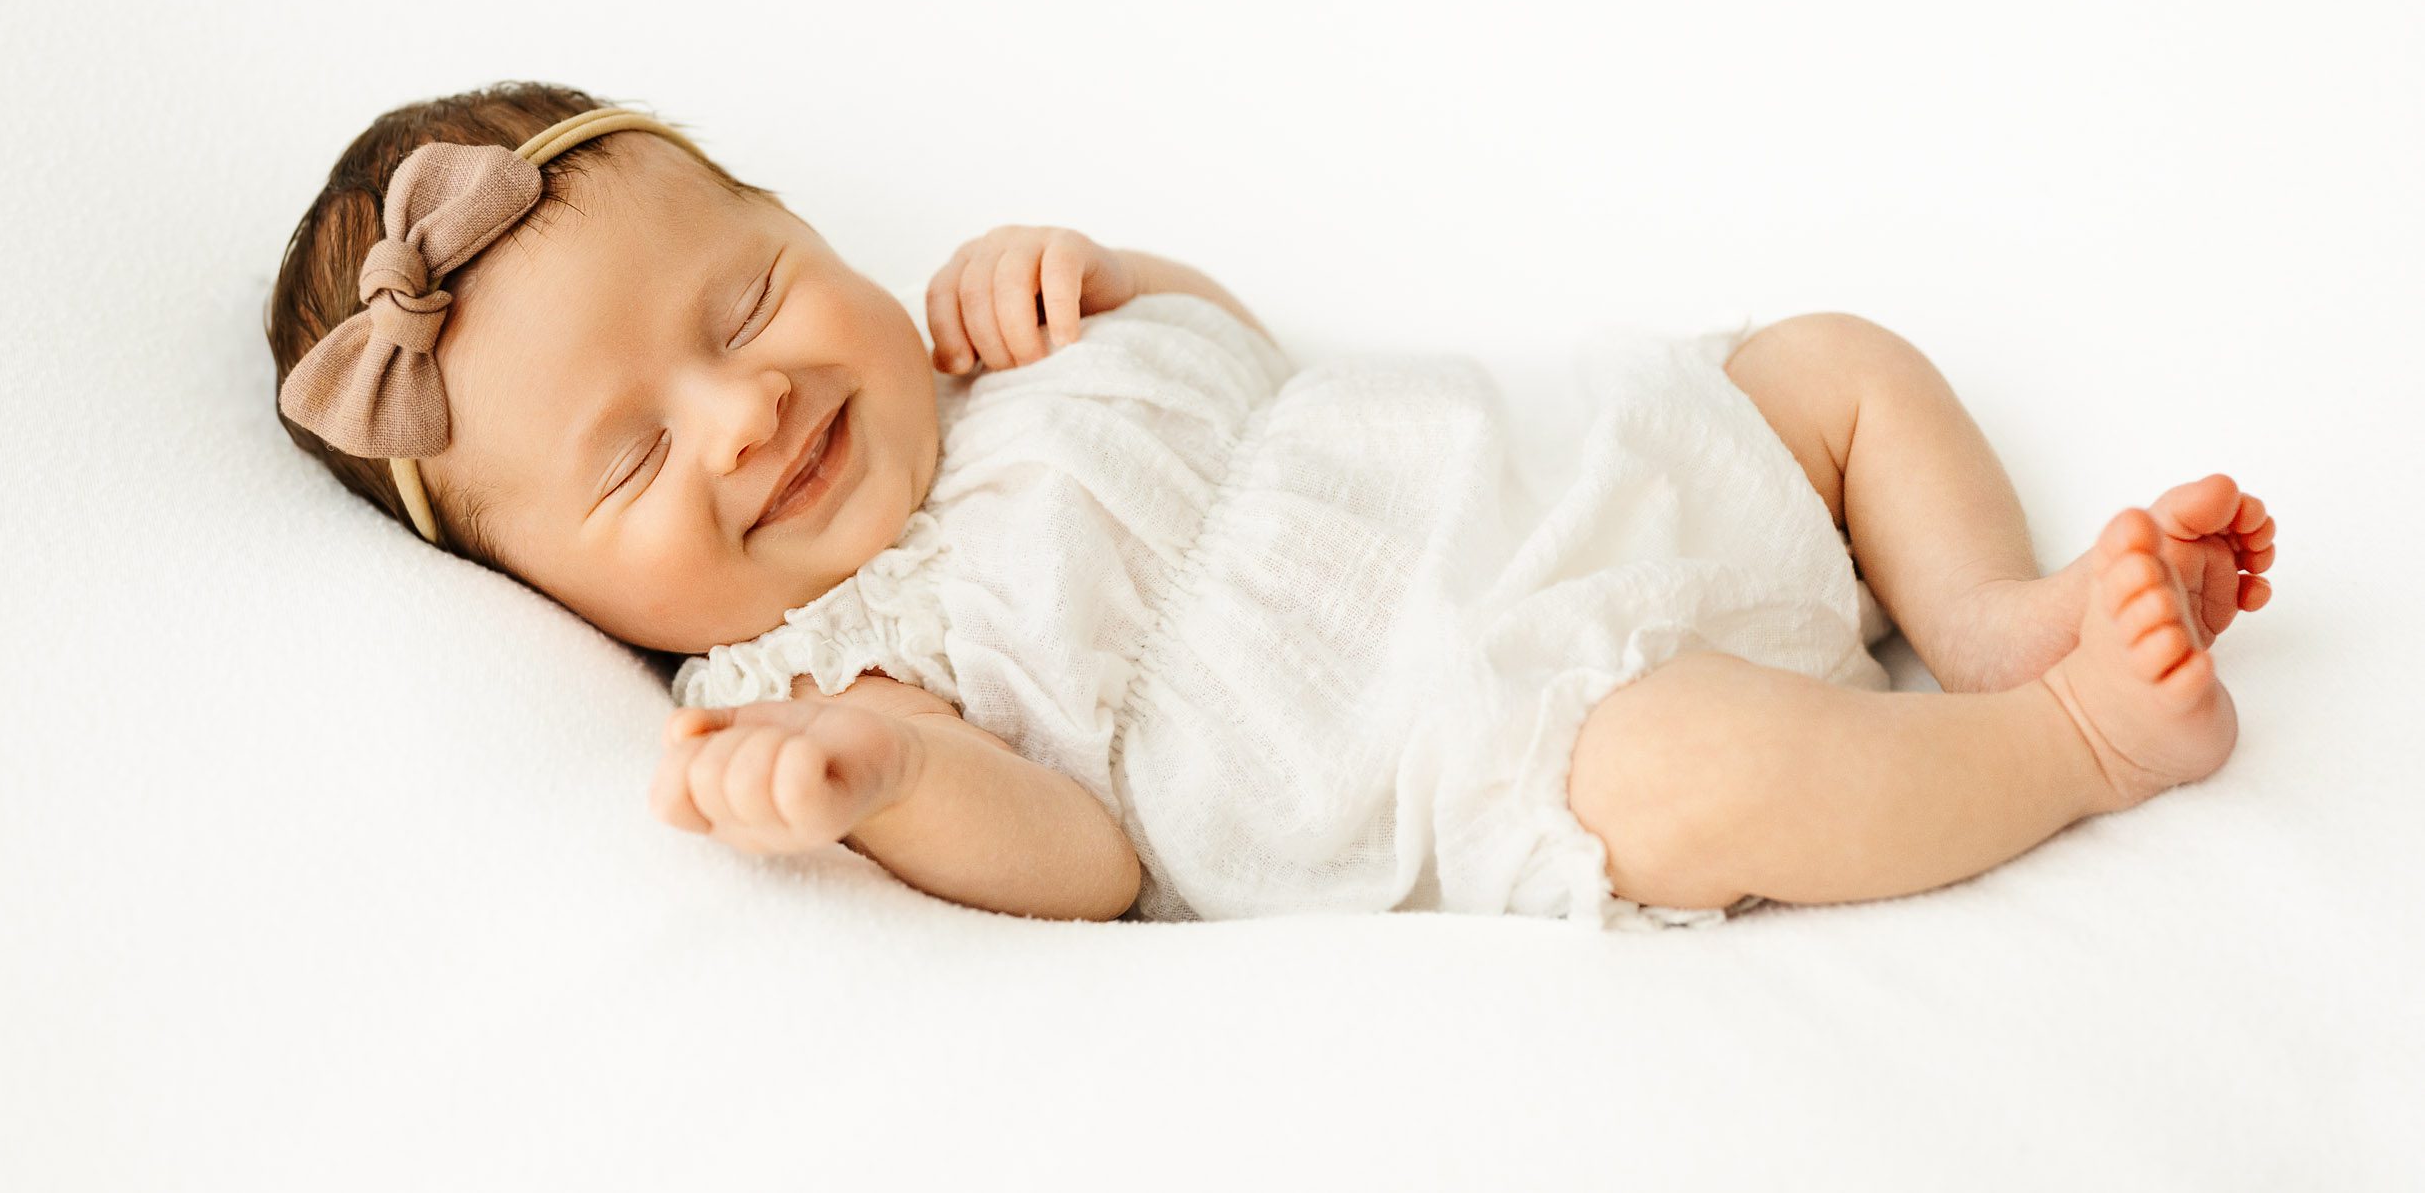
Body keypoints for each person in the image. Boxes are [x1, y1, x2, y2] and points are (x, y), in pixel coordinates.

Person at [267, 82, 2268, 925]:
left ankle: (1987, 606)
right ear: (557, 598)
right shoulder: (852, 668)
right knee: (1686, 783)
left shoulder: (986, 351)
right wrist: (872, 778)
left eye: (754, 294)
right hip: (1492, 726)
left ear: (810, 228)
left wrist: (1105, 279)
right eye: (628, 463)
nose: (744, 408)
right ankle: (2063, 730)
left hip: (1578, 458)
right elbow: (1075, 860)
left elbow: (1233, 365)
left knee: (1827, 363)